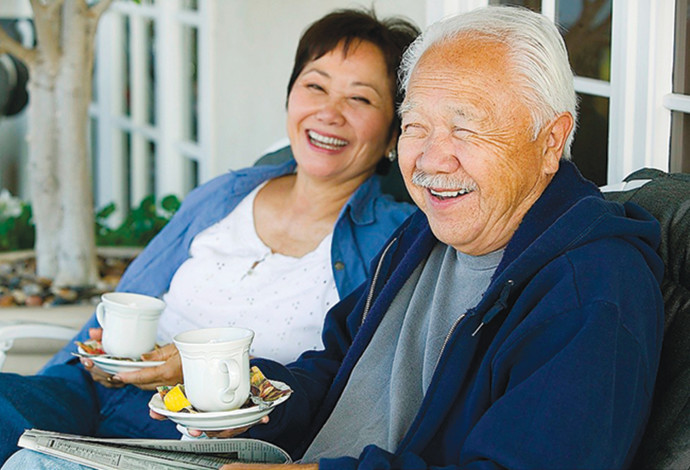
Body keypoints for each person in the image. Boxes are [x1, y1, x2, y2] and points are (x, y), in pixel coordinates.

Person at [4, 5, 666, 470]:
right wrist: (244, 399)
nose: (433, 159)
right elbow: (331, 369)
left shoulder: (591, 290)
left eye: (465, 127)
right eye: (418, 126)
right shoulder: (430, 241)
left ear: (550, 142)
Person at [0, 8, 419, 465]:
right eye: (315, 85)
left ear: (393, 134)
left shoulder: (394, 239)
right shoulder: (226, 195)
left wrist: (208, 377)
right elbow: (128, 299)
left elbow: (350, 390)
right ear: (290, 96)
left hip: (204, 442)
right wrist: (100, 361)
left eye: (360, 99)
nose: (329, 112)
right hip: (94, 398)